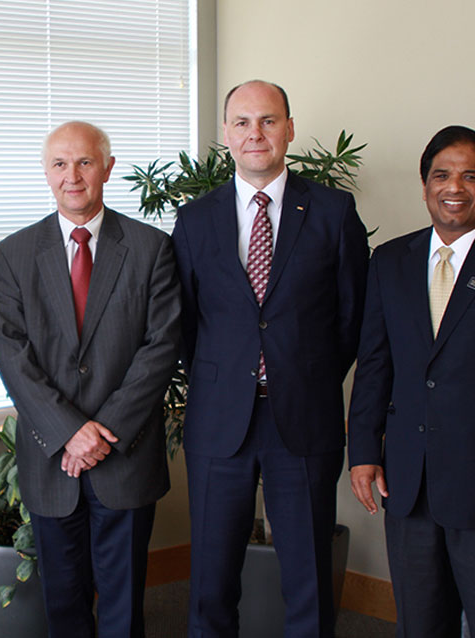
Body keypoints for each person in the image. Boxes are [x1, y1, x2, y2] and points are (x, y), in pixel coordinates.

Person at [173, 80, 369, 637]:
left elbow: (351, 317)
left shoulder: (333, 211)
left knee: (308, 577)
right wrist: (224, 377)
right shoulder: (195, 220)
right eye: (241, 122)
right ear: (226, 134)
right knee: (210, 583)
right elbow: (184, 324)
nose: (254, 133)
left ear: (288, 128)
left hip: (304, 419)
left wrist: (305, 376)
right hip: (218, 422)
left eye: (267, 120)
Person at [0, 121, 181, 637]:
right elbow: (10, 350)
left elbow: (161, 348)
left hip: (126, 455)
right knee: (64, 604)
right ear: (46, 173)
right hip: (53, 460)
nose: (71, 176)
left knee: (124, 607)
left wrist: (101, 432)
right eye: (59, 164)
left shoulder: (150, 248)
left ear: (108, 168)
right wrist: (69, 432)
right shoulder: (14, 254)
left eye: (85, 162)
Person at [348, 125, 475, 637]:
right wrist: (362, 450)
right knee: (420, 623)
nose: (455, 187)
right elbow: (375, 363)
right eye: (442, 175)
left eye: (471, 176)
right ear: (424, 186)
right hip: (409, 481)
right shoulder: (391, 261)